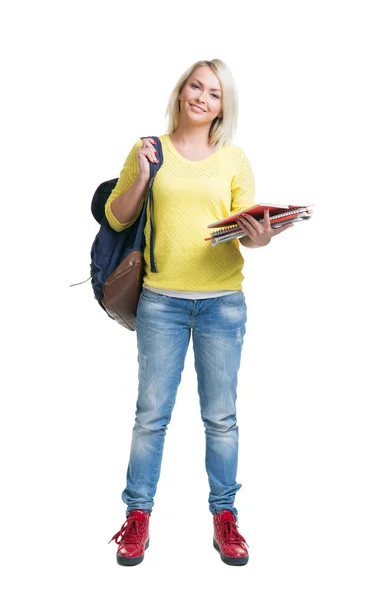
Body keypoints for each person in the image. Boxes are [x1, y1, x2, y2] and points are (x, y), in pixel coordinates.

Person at [105, 58, 294, 567]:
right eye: (196, 86)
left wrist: (262, 236)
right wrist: (143, 176)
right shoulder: (150, 150)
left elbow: (243, 227)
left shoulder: (234, 158)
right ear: (182, 90)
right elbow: (116, 214)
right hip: (161, 302)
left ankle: (225, 517)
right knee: (151, 418)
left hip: (222, 305)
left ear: (222, 106)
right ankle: (137, 518)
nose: (201, 98)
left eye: (213, 93)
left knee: (221, 419)